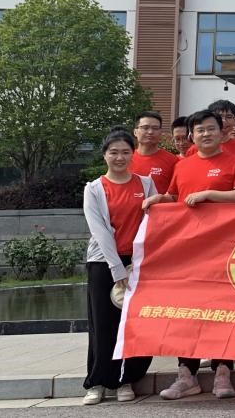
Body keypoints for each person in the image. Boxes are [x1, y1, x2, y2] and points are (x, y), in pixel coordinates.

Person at [145, 110, 235, 400]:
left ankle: (223, 373)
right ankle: (186, 374)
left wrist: (209, 194)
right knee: (187, 312)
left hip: (224, 249)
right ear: (192, 136)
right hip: (188, 251)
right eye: (199, 130)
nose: (205, 134)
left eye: (210, 129)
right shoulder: (183, 165)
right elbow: (175, 197)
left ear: (222, 132)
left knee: (223, 311)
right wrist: (159, 199)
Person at [81, 127, 154, 405]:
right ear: (104, 155)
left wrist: (138, 262)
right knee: (103, 324)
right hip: (104, 262)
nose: (119, 157)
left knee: (135, 323)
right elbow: (100, 231)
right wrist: (116, 268)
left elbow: (154, 221)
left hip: (138, 262)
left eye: (125, 152)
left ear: (133, 154)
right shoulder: (94, 189)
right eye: (114, 152)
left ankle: (126, 380)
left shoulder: (145, 184)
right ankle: (97, 382)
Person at [129, 111, 178, 190]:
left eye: (155, 128)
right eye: (145, 128)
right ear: (135, 132)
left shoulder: (173, 161)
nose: (150, 132)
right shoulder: (126, 158)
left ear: (160, 132)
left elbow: (176, 193)